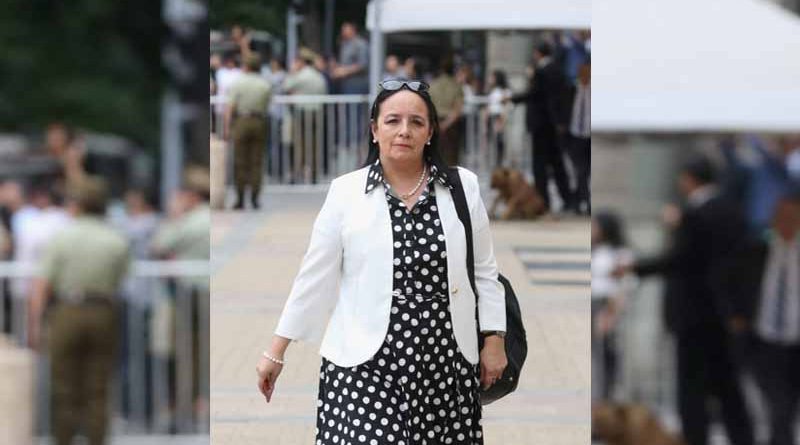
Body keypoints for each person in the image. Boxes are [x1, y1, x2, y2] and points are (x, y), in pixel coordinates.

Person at [256, 79, 508, 444]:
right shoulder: (346, 192)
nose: (404, 131)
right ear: (375, 130)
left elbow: (484, 270)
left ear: (430, 133)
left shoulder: (461, 187)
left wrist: (494, 338)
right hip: (365, 363)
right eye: (393, 121)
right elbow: (313, 277)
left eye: (416, 122)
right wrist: (276, 351)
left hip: (446, 362)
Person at [617, 158, 755, 445]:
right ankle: (743, 438)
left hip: (693, 316)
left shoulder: (693, 215)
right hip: (723, 315)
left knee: (692, 388)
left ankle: (695, 438)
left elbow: (680, 259)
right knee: (727, 386)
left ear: (689, 179)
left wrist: (637, 266)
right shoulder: (733, 209)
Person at [28, 176, 130, 445]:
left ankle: (64, 439)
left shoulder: (62, 237)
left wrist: (35, 324)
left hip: (67, 311)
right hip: (104, 311)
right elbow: (122, 277)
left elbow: (42, 284)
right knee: (98, 387)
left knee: (64, 386)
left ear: (78, 204)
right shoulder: (115, 238)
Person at [736, 195, 800, 445]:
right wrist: (737, 318)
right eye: (781, 216)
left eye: (793, 217)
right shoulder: (755, 253)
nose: (786, 222)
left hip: (796, 340)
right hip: (767, 341)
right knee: (779, 408)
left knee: (787, 410)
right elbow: (733, 285)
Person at [511, 42, 573, 214]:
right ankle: (568, 199)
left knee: (539, 165)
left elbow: (534, 94)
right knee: (557, 164)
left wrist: (513, 98)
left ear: (538, 53)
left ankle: (543, 201)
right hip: (553, 125)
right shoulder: (558, 70)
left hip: (540, 125)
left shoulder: (540, 72)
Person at [225, 53, 272, 210]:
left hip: (241, 121)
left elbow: (231, 107)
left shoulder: (238, 83)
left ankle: (240, 198)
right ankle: (255, 198)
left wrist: (227, 128)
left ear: (246, 66)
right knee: (257, 161)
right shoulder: (265, 84)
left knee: (240, 161)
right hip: (259, 121)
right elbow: (267, 104)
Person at [283, 48, 329, 184]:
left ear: (301, 62)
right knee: (314, 144)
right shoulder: (319, 77)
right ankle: (314, 174)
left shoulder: (300, 76)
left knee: (299, 144)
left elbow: (286, 86)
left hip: (301, 112)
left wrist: (292, 72)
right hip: (316, 112)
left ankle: (297, 173)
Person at [428, 58, 464, 166]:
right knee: (451, 160)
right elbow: (457, 109)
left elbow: (428, 107)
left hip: (435, 123)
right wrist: (446, 125)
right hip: (452, 126)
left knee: (434, 158)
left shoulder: (433, 85)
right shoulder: (456, 86)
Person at [567, 61, 591, 215]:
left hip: (591, 135)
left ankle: (584, 201)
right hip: (576, 135)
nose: (584, 75)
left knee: (587, 172)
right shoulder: (572, 89)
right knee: (579, 171)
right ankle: (584, 202)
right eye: (582, 72)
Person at [331, 22, 369, 94]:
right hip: (345, 83)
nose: (343, 32)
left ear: (353, 30)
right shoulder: (344, 44)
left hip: (357, 83)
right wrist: (336, 67)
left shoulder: (360, 44)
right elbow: (345, 63)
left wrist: (344, 71)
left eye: (345, 30)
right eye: (342, 30)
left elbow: (363, 64)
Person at [486, 70, 512, 167]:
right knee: (492, 141)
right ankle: (493, 163)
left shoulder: (505, 91)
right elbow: (489, 105)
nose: (490, 79)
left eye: (492, 77)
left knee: (500, 141)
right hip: (492, 117)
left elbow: (507, 106)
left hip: (500, 117)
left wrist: (502, 119)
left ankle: (500, 163)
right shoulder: (492, 91)